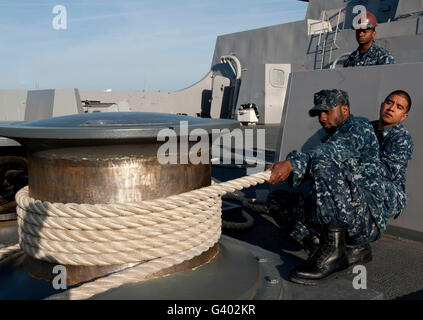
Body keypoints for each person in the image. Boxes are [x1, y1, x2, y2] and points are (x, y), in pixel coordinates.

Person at [266, 89, 387, 285]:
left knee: (322, 160)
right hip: (349, 213)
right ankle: (317, 246)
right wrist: (284, 169)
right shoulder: (332, 136)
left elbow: (330, 152)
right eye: (318, 114)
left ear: (345, 110)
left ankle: (334, 253)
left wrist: (290, 165)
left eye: (327, 111)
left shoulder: (359, 127)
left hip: (365, 218)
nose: (322, 118)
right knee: (277, 199)